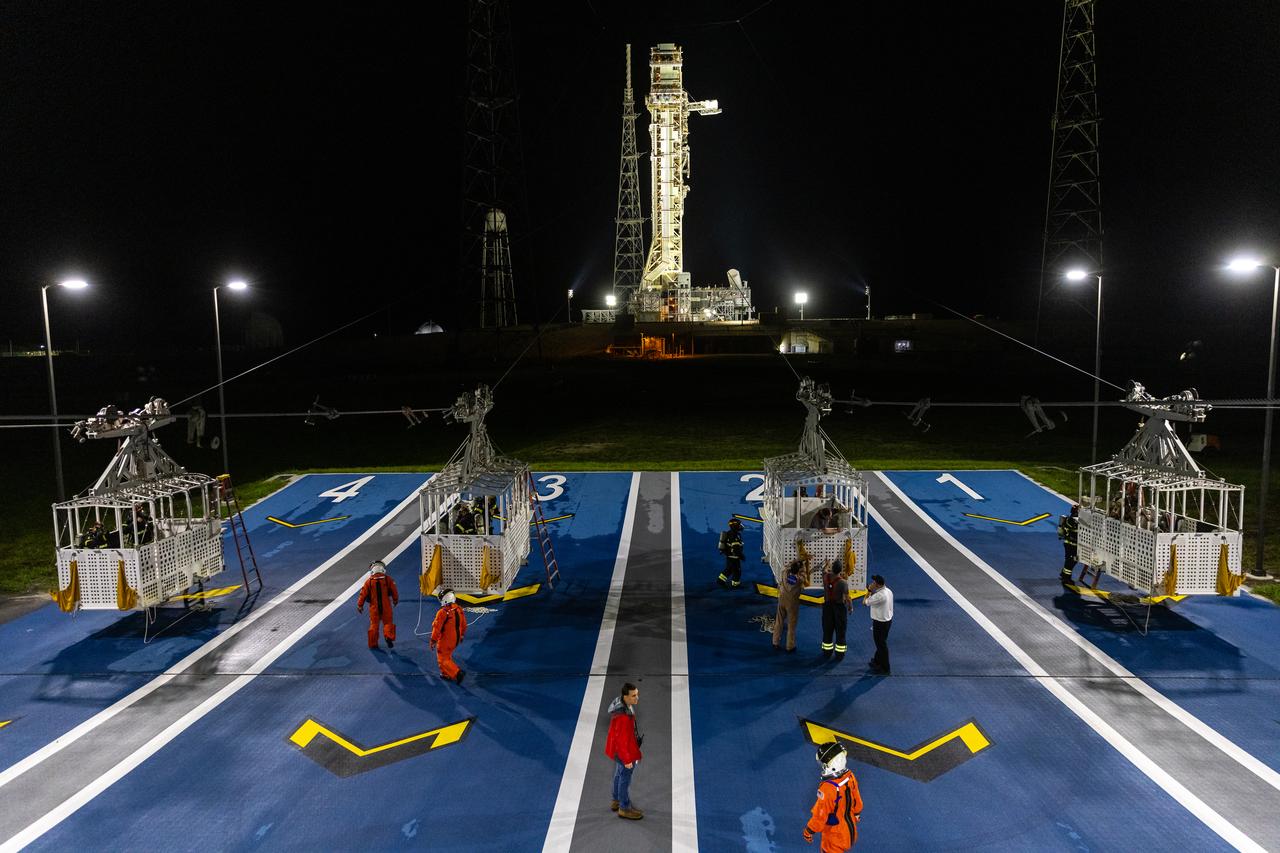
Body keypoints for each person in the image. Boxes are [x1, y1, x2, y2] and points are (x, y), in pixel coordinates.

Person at [804, 741, 862, 851]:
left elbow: (820, 817)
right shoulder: (850, 776)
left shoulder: (827, 789)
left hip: (834, 837)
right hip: (850, 831)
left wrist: (809, 830)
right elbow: (857, 799)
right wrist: (857, 813)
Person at [604, 682, 644, 820]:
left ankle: (616, 799)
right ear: (625, 697)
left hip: (616, 750)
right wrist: (627, 759)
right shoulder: (623, 717)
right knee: (625, 777)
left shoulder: (621, 704)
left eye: (637, 694)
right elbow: (621, 741)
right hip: (623, 751)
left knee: (618, 773)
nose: (637, 698)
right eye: (634, 696)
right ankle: (624, 808)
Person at [356, 559, 399, 649]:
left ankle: (373, 643)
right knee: (388, 623)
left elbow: (362, 594)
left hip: (374, 608)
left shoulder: (369, 582)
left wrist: (360, 605)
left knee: (374, 625)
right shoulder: (388, 579)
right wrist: (395, 600)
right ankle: (388, 636)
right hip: (386, 606)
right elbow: (394, 591)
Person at [429, 589, 468, 684]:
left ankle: (457, 673)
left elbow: (436, 628)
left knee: (442, 658)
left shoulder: (442, 612)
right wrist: (462, 635)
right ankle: (445, 673)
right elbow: (464, 624)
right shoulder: (458, 609)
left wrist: (433, 640)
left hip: (446, 640)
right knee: (447, 655)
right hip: (456, 639)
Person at [821, 560, 852, 661]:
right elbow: (848, 598)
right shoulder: (843, 583)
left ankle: (827, 652)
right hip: (839, 608)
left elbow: (824, 570)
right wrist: (850, 607)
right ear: (841, 570)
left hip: (827, 608)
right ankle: (839, 654)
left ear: (832, 568)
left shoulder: (826, 577)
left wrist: (827, 564)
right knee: (841, 631)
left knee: (827, 630)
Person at [864, 574, 893, 675]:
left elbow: (865, 602)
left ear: (877, 585)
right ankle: (877, 661)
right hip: (887, 621)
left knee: (881, 645)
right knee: (881, 643)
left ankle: (886, 668)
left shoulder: (879, 595)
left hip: (880, 623)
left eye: (873, 583)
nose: (872, 584)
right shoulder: (888, 591)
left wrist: (868, 591)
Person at [773, 560, 804, 652]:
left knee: (779, 621)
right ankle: (790, 646)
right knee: (791, 626)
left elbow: (787, 568)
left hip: (782, 600)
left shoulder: (784, 574)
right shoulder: (800, 579)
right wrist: (802, 564)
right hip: (792, 604)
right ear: (798, 571)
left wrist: (794, 562)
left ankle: (775, 642)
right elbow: (804, 573)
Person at [718, 517, 745, 588]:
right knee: (737, 571)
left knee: (729, 569)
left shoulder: (731, 533)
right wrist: (741, 555)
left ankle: (720, 581)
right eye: (739, 524)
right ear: (735, 526)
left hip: (730, 556)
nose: (740, 526)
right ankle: (736, 584)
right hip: (734, 557)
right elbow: (735, 547)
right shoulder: (734, 535)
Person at [1058, 505, 1080, 581]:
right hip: (1071, 544)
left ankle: (1063, 574)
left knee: (1069, 560)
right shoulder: (1073, 520)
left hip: (1070, 543)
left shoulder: (1071, 518)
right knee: (1071, 560)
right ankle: (1066, 577)